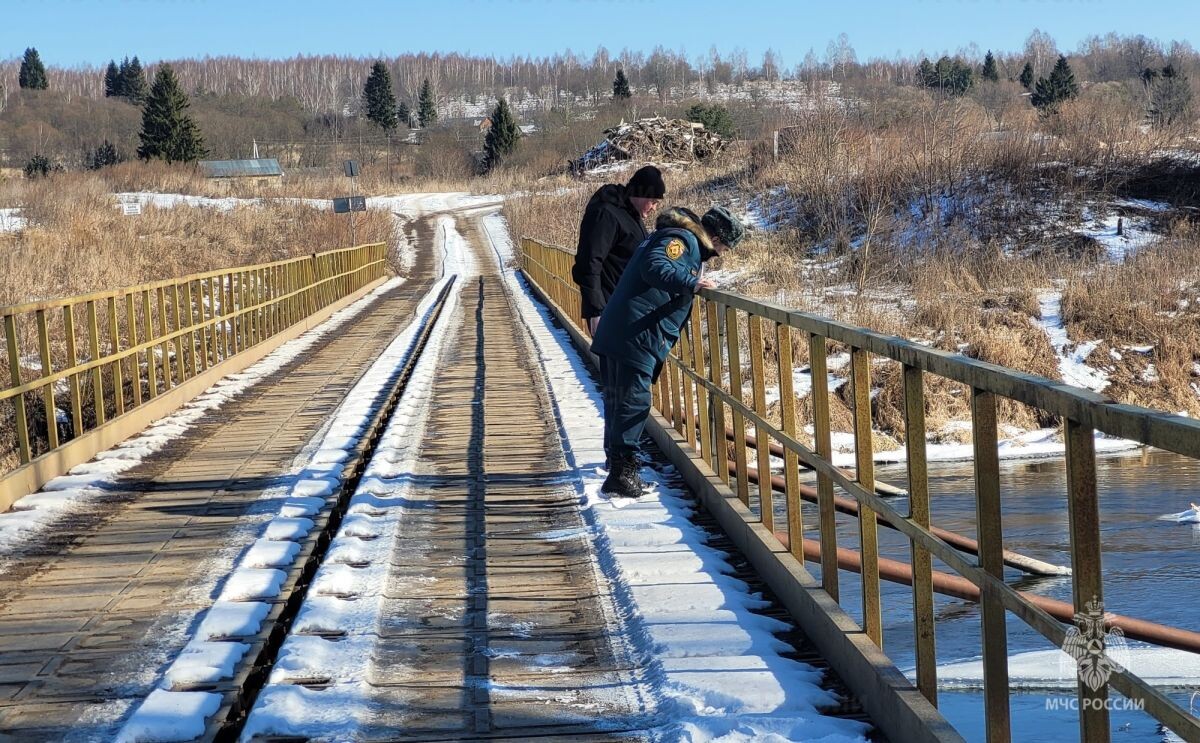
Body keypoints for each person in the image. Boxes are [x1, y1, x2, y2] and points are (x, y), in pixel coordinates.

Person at [591, 205, 745, 498]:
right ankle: (622, 475)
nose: (723, 253)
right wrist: (692, 282)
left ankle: (618, 464)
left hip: (624, 330)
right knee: (632, 402)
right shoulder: (681, 240)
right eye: (724, 246)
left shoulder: (672, 236)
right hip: (634, 334)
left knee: (619, 400)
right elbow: (654, 267)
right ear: (715, 236)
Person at [572, 165, 666, 336]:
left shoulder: (632, 215)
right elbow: (588, 263)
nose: (654, 208)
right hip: (609, 309)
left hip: (628, 308)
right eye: (653, 202)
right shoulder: (606, 213)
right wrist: (596, 311)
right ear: (640, 194)